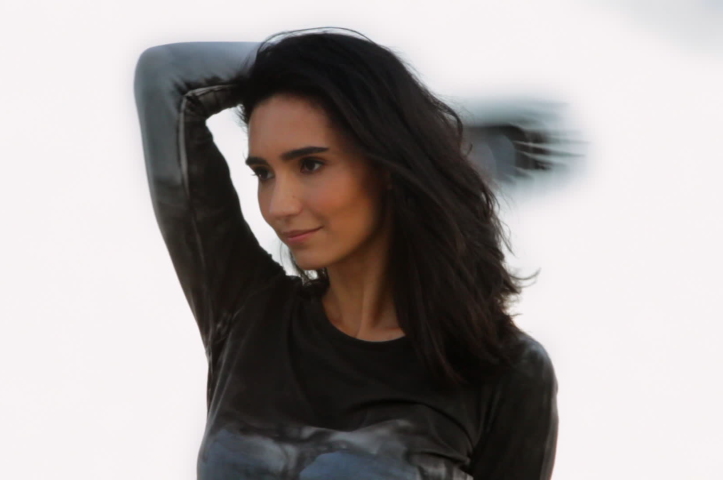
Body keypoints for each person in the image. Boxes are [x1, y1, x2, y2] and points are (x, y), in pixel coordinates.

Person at [133, 28, 558, 480]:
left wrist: (362, 81)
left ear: (387, 165)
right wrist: (323, 65)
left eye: (310, 164)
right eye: (263, 173)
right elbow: (166, 76)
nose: (279, 206)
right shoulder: (246, 313)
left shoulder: (506, 371)